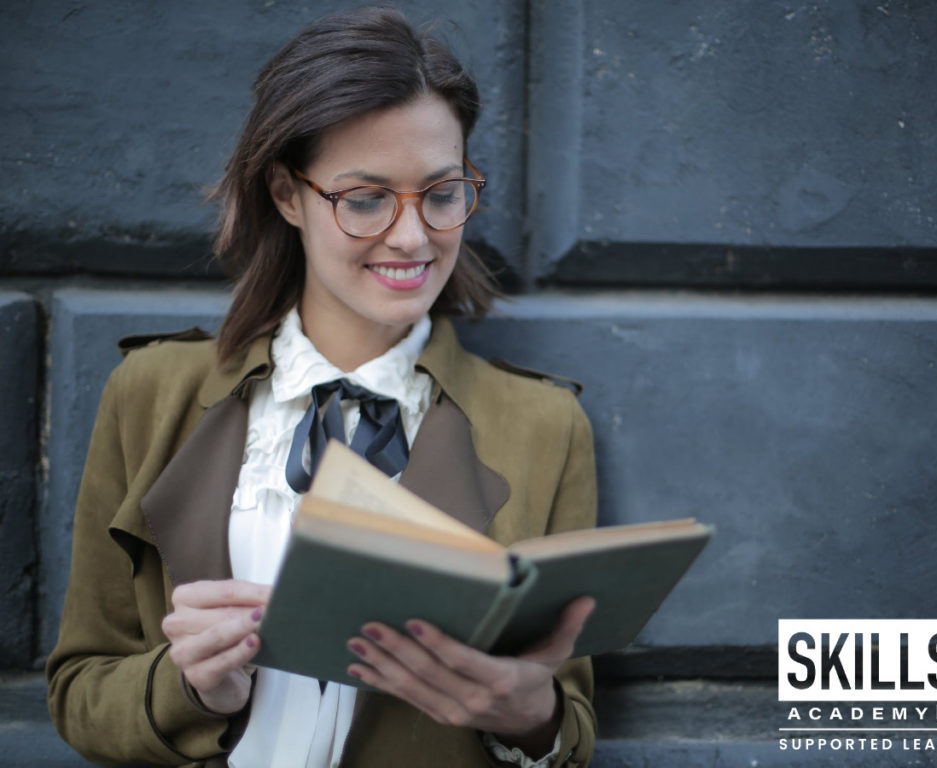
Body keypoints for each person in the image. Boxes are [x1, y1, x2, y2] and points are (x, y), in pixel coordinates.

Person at [45, 7, 598, 768]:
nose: (412, 236)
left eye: (442, 193)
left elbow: (569, 728)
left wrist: (531, 714)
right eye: (365, 199)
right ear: (287, 194)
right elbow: (80, 689)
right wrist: (192, 688)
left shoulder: (545, 424)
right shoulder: (150, 393)